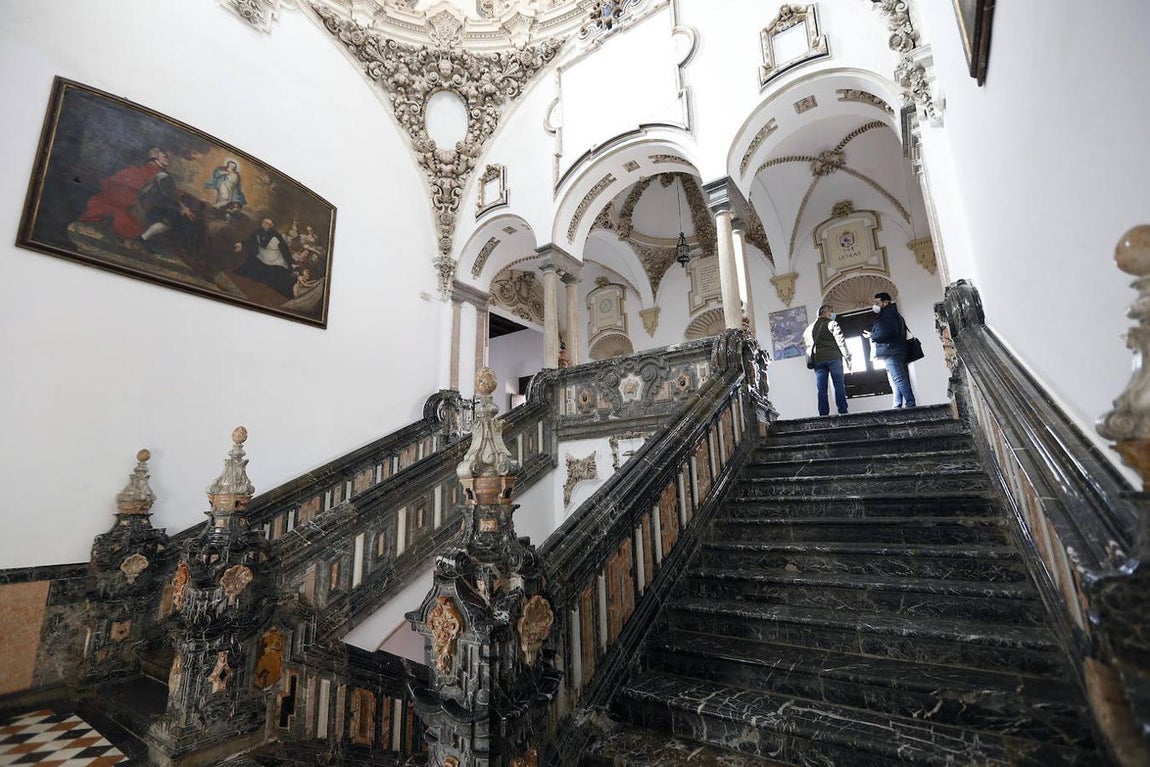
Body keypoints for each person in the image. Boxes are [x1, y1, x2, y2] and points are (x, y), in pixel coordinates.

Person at [865, 291, 916, 409]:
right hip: (894, 350)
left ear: (885, 302)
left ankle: (910, 403)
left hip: (891, 350)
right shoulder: (891, 313)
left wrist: (872, 336)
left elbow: (888, 331)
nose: (875, 305)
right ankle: (897, 404)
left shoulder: (888, 314)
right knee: (894, 379)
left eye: (877, 303)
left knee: (898, 378)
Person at [803, 304, 852, 416]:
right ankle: (843, 411)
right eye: (831, 311)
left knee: (821, 388)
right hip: (834, 358)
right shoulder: (832, 323)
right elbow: (841, 342)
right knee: (838, 385)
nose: (832, 314)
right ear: (825, 313)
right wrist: (848, 358)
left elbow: (806, 346)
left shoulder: (808, 329)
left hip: (818, 361)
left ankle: (823, 413)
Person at [234, 217, 297, 298]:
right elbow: (250, 239)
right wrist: (241, 243)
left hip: (274, 260)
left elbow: (285, 250)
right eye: (264, 222)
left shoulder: (276, 236)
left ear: (272, 225)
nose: (265, 224)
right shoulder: (258, 231)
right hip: (261, 256)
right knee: (250, 269)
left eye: (268, 224)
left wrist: (291, 263)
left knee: (274, 280)